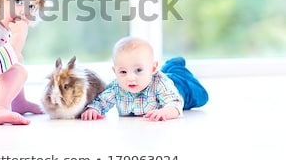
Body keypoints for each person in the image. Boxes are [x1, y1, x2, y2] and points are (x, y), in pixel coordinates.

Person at [81, 36, 209, 121]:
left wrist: (166, 112)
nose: (130, 78)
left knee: (201, 96)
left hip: (178, 87)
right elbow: (101, 101)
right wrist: (93, 109)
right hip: (152, 77)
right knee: (161, 73)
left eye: (138, 70)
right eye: (123, 72)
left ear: (153, 69)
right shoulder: (116, 86)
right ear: (115, 71)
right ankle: (169, 66)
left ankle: (175, 66)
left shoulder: (160, 83)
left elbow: (175, 102)